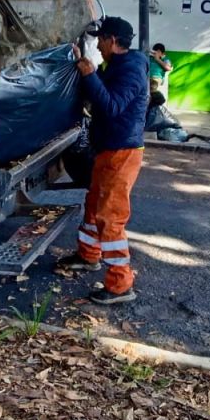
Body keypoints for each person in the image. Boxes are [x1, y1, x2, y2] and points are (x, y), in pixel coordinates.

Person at [57, 16, 149, 305]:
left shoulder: (131, 70)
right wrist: (88, 71)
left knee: (110, 217)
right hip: (108, 150)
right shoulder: (120, 65)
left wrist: (89, 75)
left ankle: (121, 285)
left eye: (100, 39)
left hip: (121, 153)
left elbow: (111, 106)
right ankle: (88, 256)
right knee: (94, 204)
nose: (97, 43)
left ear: (111, 40)